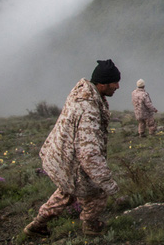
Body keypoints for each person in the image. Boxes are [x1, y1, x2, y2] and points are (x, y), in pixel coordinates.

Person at [24, 59, 121, 238]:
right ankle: (91, 226)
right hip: (72, 162)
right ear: (102, 84)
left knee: (66, 192)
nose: (117, 86)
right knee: (96, 192)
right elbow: (89, 154)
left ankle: (38, 225)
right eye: (114, 82)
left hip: (61, 158)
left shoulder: (82, 93)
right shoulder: (89, 110)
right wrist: (109, 184)